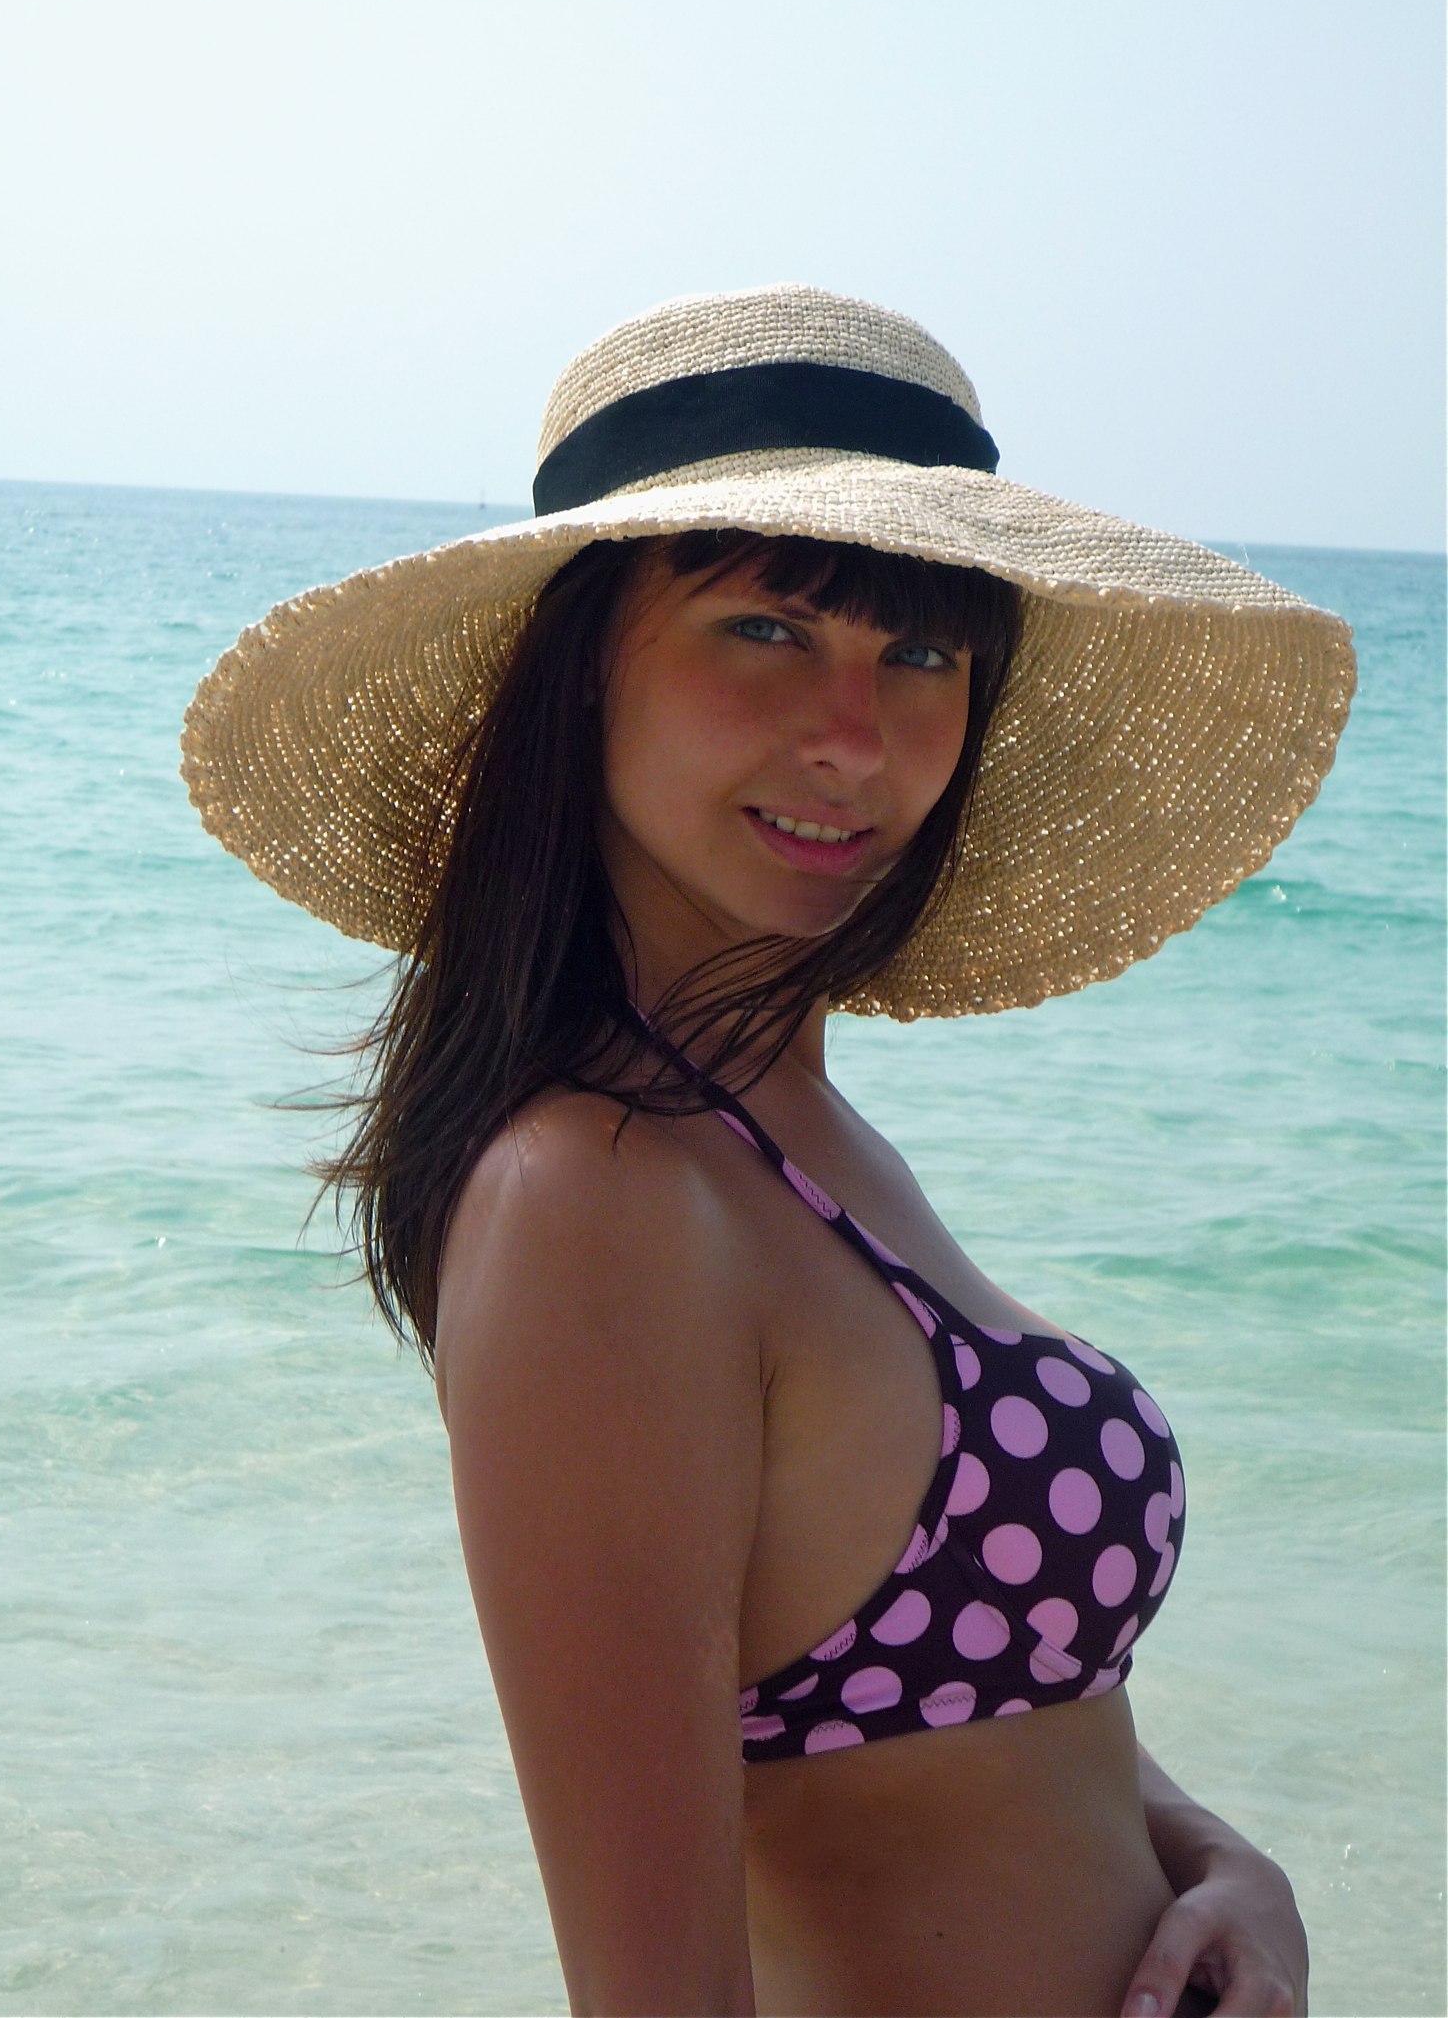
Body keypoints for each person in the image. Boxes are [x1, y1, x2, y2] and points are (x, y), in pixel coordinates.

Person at [182, 285, 1355, 2016]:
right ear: (583, 665)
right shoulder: (597, 1198)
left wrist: (1220, 1863)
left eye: (923, 655)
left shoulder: (788, 1133)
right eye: (765, 629)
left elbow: (979, 1718)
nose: (855, 737)